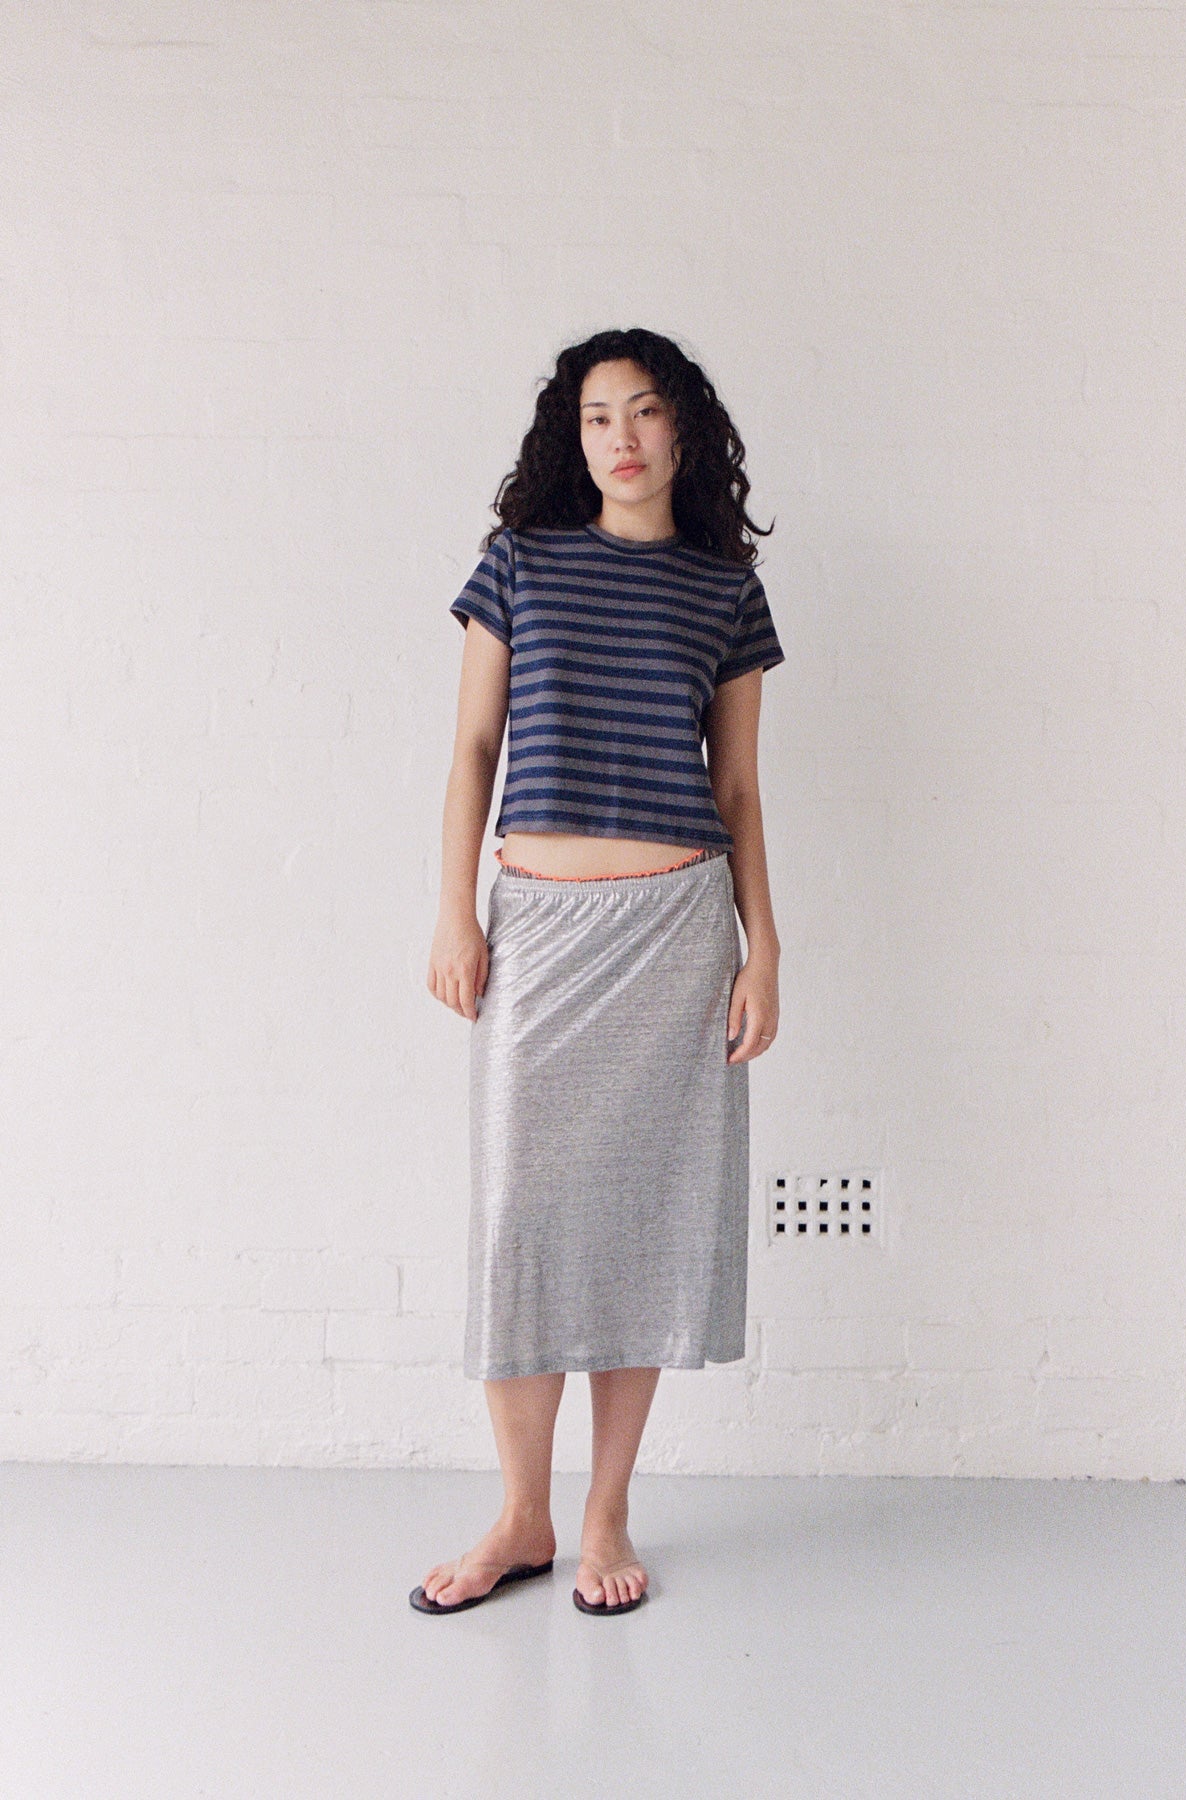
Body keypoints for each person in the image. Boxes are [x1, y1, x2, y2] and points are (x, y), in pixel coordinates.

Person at [413, 327, 785, 1617]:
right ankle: (521, 1514)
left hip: (677, 936)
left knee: (646, 1226)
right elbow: (472, 748)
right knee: (520, 1225)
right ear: (571, 440)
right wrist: (454, 914)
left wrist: (764, 947)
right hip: (538, 931)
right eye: (595, 417)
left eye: (644, 411)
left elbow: (738, 790)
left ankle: (606, 1513)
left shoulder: (723, 590)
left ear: (684, 429)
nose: (620, 438)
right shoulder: (520, 561)